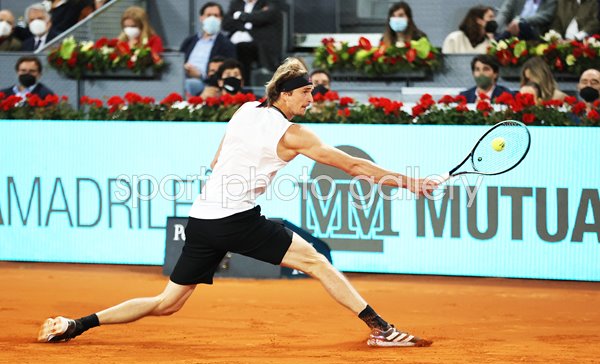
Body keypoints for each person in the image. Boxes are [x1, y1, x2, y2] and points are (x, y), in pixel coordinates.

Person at [37, 57, 439, 348]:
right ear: (284, 94)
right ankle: (382, 329)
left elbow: (216, 161)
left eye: (312, 93)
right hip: (235, 219)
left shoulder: (247, 110)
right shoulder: (294, 134)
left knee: (166, 303)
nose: (310, 100)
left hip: (202, 219)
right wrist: (412, 182)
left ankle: (75, 324)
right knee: (316, 259)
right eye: (304, 93)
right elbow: (352, 165)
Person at [180, 2, 236, 97]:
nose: (212, 18)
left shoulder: (226, 44)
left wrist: (200, 75)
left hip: (206, 82)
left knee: (188, 84)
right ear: (201, 18)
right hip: (182, 77)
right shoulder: (189, 41)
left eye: (216, 15)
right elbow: (178, 59)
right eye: (209, 15)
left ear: (221, 19)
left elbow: (229, 71)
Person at [222, 0, 283, 84]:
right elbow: (226, 24)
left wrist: (240, 16)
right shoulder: (236, 3)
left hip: (257, 44)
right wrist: (246, 23)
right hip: (233, 42)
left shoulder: (267, 3)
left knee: (243, 48)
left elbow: (263, 17)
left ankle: (245, 85)